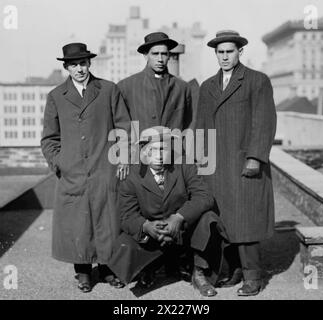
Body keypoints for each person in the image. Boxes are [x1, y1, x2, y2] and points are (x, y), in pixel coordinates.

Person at [41, 42, 131, 293]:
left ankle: (107, 269)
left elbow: (123, 127)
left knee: (106, 219)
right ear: (66, 68)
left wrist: (123, 156)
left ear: (90, 63)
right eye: (73, 65)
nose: (79, 69)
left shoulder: (108, 90)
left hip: (104, 167)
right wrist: (60, 164)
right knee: (77, 223)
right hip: (73, 172)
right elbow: (49, 138)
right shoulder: (56, 96)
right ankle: (82, 272)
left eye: (83, 63)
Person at [196, 30, 277, 296]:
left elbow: (264, 122)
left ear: (239, 52)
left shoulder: (256, 80)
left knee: (246, 221)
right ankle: (233, 270)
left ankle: (254, 277)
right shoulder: (208, 86)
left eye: (229, 51)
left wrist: (255, 157)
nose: (225, 57)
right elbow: (201, 127)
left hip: (244, 164)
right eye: (220, 52)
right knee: (223, 220)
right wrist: (200, 161)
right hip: (217, 166)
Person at [107, 126, 228, 297]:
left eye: (163, 149)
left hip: (182, 231)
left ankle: (199, 272)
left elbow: (204, 196)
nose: (159, 155)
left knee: (209, 219)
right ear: (143, 151)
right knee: (126, 239)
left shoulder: (184, 165)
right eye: (152, 150)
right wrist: (147, 226)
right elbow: (127, 215)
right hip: (152, 234)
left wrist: (179, 218)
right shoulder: (131, 175)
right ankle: (148, 268)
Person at [117, 32, 193, 138]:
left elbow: (189, 126)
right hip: (140, 152)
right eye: (155, 54)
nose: (160, 59)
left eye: (164, 54)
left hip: (174, 152)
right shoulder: (126, 86)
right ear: (145, 55)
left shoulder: (182, 88)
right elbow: (120, 126)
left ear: (169, 56)